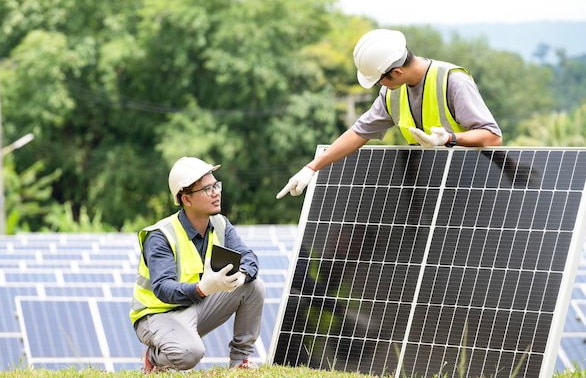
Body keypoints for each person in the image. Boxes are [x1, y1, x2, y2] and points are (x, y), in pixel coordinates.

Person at [277, 28, 503, 199]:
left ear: (396, 71)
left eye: (378, 80)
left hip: (475, 185)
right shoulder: (391, 93)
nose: (378, 86)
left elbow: (493, 137)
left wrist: (449, 139)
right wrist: (311, 167)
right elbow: (359, 132)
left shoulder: (453, 82)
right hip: (434, 191)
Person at [130, 156, 265, 373]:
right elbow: (163, 289)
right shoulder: (161, 236)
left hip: (194, 307)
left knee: (253, 286)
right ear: (187, 199)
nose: (216, 192)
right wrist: (203, 289)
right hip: (156, 315)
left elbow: (248, 256)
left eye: (216, 185)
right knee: (189, 354)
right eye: (207, 189)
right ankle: (154, 358)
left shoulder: (220, 224)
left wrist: (241, 275)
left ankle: (240, 362)